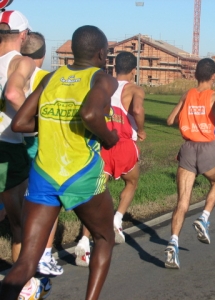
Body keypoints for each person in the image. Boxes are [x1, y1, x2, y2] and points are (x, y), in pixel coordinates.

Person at [0, 25, 119, 300]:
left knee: (26, 263)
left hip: (43, 174)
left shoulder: (51, 78)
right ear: (101, 54)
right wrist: (109, 138)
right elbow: (90, 114)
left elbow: (19, 123)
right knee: (104, 238)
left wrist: (55, 120)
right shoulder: (102, 79)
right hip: (80, 173)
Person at [75, 51, 146, 267]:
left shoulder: (103, 85)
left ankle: (84, 242)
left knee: (95, 194)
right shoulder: (134, 89)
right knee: (132, 181)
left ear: (114, 68)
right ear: (134, 70)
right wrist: (141, 129)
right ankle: (117, 219)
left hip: (103, 143)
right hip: (124, 143)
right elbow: (137, 108)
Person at [0, 10, 52, 299]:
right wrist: (35, 125)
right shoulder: (21, 61)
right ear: (23, 36)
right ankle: (24, 286)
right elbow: (13, 94)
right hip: (7, 145)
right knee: (19, 222)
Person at [164, 58, 215, 269]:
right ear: (214, 76)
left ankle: (173, 244)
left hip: (187, 149)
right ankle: (204, 218)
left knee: (182, 202)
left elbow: (170, 120)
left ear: (195, 75)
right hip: (207, 149)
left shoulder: (187, 95)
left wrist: (189, 121)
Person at [20, 31, 64, 276]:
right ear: (43, 54)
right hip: (39, 141)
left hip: (11, 140)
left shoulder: (11, 69)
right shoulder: (47, 78)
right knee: (48, 199)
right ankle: (44, 254)